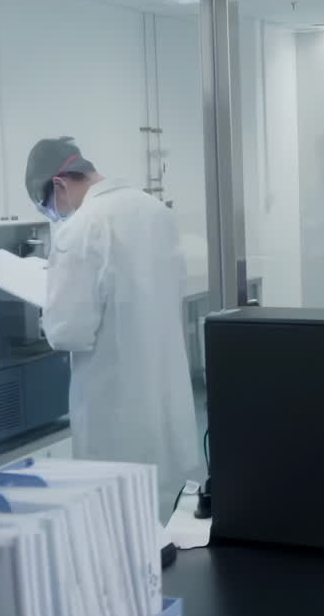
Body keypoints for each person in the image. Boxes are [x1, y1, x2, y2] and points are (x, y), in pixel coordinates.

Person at [25, 137, 200, 517]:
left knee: (120, 521)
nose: (55, 217)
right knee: (171, 511)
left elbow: (67, 331)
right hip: (165, 390)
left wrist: (47, 307)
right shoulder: (155, 211)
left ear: (58, 185)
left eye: (49, 210)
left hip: (115, 404)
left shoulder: (81, 228)